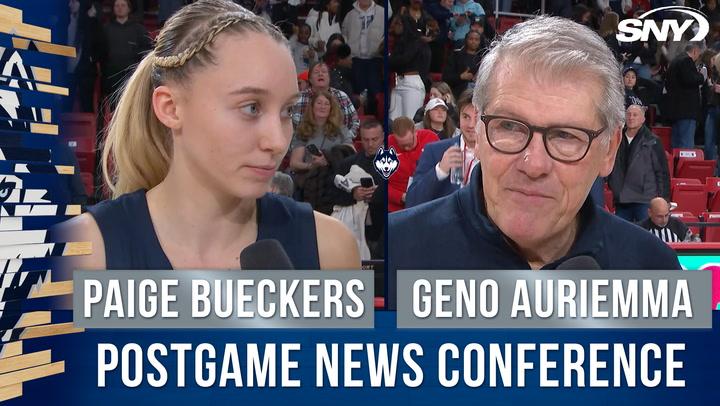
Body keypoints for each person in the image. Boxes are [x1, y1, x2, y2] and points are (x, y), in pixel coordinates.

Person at [389, 16, 681, 307]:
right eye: (509, 127)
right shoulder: (394, 250)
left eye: (566, 135)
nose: (534, 164)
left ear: (609, 151)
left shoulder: (656, 272)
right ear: (477, 130)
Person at [59, 0, 360, 271]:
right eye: (252, 107)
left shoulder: (329, 249)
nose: (278, 142)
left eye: (287, 111)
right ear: (171, 108)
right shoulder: (81, 255)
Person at [404, 91, 477, 208]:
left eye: (477, 118)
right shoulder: (435, 150)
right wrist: (440, 171)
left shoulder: (498, 153)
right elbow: (412, 200)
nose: (471, 125)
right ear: (459, 117)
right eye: (466, 117)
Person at [329, 119, 385, 258]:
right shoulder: (347, 164)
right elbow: (332, 194)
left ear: (382, 137)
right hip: (354, 229)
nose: (370, 144)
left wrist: (377, 194)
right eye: (366, 140)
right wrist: (353, 195)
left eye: (374, 139)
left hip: (383, 226)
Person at [607, 103, 670, 222]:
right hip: (622, 199)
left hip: (644, 199)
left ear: (643, 119)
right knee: (622, 236)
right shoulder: (616, 138)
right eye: (629, 114)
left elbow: (662, 172)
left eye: (635, 115)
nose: (631, 117)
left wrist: (664, 199)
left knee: (644, 236)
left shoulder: (653, 141)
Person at [100, 0, 151, 107]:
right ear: (113, 9)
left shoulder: (138, 29)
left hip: (131, 75)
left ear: (129, 9)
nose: (120, 8)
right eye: (117, 5)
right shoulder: (106, 29)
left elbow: (147, 50)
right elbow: (100, 52)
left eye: (123, 5)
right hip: (111, 76)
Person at [292, 61, 360, 137]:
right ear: (310, 79)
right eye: (316, 72)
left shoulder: (342, 96)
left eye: (324, 72)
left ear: (329, 78)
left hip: (338, 144)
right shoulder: (298, 98)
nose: (320, 74)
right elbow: (290, 125)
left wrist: (346, 138)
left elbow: (355, 121)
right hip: (305, 143)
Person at [388, 117, 439, 212]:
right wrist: (401, 196)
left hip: (427, 200)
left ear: (415, 132)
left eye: (410, 144)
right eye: (402, 146)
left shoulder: (430, 138)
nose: (407, 148)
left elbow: (441, 168)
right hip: (396, 207)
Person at [342, 0, 384, 115]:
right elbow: (344, 34)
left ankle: (375, 118)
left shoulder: (382, 12)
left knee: (375, 92)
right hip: (356, 60)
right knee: (359, 92)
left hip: (375, 59)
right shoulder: (350, 15)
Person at [388, 13, 431, 121]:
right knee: (393, 121)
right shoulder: (398, 43)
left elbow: (404, 59)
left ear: (405, 25)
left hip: (412, 83)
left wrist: (391, 60)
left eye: (397, 23)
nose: (393, 26)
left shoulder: (416, 42)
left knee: (410, 121)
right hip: (398, 82)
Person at [665, 42, 706, 148]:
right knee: (686, 145)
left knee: (676, 144)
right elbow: (690, 79)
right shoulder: (686, 61)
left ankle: (676, 164)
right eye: (699, 54)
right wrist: (701, 76)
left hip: (675, 110)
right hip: (687, 110)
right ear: (695, 51)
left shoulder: (675, 61)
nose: (698, 57)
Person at [443, 30, 485, 99]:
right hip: (458, 93)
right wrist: (460, 77)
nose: (473, 41)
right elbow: (446, 77)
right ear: (466, 40)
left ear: (480, 42)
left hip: (478, 95)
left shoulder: (482, 58)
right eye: (471, 39)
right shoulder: (455, 56)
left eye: (476, 39)